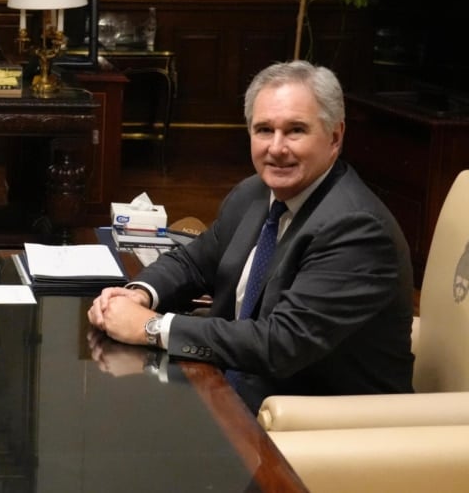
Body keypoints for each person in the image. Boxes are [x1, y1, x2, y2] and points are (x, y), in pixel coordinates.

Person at [88, 60, 414, 409]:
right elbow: (193, 263)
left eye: (295, 130)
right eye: (264, 130)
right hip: (237, 389)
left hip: (318, 424)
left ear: (335, 137)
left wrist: (153, 327)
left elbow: (281, 344)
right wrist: (139, 295)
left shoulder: (356, 229)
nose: (276, 148)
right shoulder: (255, 193)